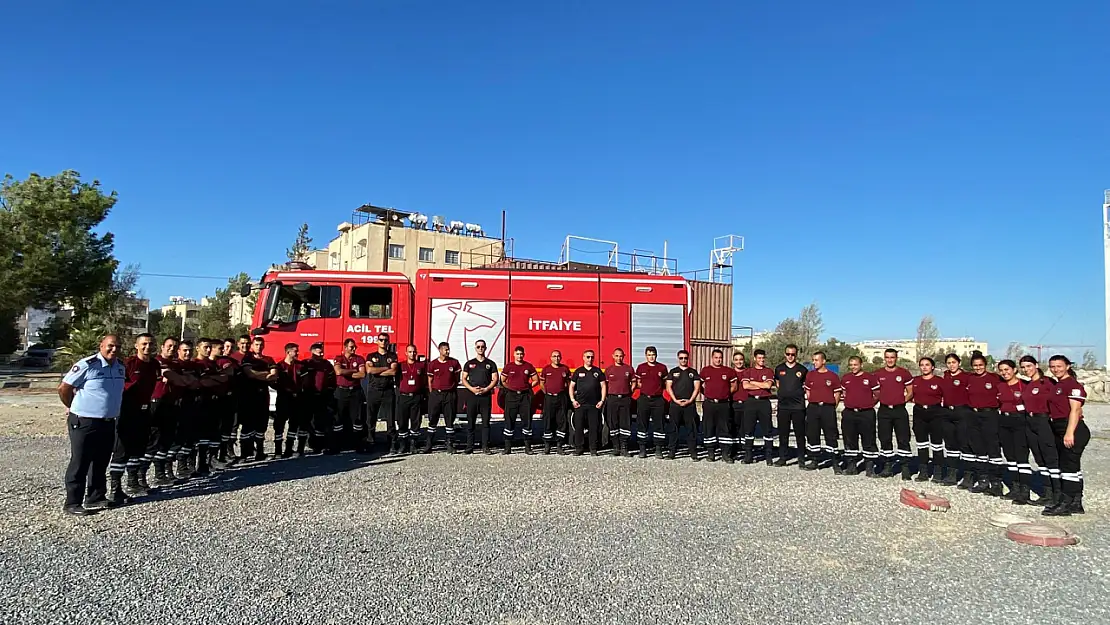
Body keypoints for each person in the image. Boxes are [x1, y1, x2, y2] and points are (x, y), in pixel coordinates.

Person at [58, 334, 126, 516]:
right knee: (80, 461)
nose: (114, 350)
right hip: (84, 421)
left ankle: (95, 496)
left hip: (108, 422)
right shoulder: (87, 365)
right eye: (110, 346)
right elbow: (64, 388)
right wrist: (72, 406)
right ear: (101, 346)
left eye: (117, 346)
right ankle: (72, 502)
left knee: (101, 461)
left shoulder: (120, 367)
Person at [109, 333, 161, 499]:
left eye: (151, 344)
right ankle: (115, 488)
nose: (148, 347)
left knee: (139, 448)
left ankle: (134, 482)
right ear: (136, 345)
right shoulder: (128, 364)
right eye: (144, 344)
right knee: (122, 449)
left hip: (145, 411)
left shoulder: (154, 364)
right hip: (127, 411)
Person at [1044, 355, 1089, 516]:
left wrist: (1070, 432)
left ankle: (1066, 503)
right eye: (1053, 366)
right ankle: (1077, 502)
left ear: (1068, 366)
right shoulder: (1058, 384)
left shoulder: (1073, 385)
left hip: (1072, 428)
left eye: (1059, 366)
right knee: (1072, 467)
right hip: (1059, 427)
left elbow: (1075, 410)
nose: (1056, 369)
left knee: (1067, 467)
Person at [1019, 355, 1058, 505]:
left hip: (1044, 421)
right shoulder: (1028, 385)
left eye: (1029, 366)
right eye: (1023, 367)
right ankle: (1046, 492)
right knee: (1039, 458)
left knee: (1050, 457)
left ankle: (1057, 494)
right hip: (1030, 421)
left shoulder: (1047, 382)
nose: (1026, 369)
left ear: (1036, 365)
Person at [148, 337, 185, 486]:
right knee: (154, 440)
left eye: (174, 347)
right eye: (169, 346)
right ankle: (144, 476)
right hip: (157, 403)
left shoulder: (176, 364)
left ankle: (164, 471)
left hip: (172, 403)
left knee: (167, 440)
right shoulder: (156, 362)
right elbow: (176, 379)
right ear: (162, 347)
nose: (171, 349)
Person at [966, 352, 1003, 496]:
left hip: (990, 415)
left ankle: (996, 482)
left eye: (980, 365)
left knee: (993, 447)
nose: (978, 368)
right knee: (978, 448)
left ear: (985, 365)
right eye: (975, 365)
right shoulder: (970, 379)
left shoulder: (994, 378)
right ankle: (983, 479)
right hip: (974, 415)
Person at [874, 349, 914, 479]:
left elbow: (910, 391)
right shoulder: (878, 374)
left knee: (903, 438)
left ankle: (905, 467)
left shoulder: (904, 373)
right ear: (884, 358)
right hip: (884, 410)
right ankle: (887, 466)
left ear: (896, 358)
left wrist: (902, 401)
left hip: (899, 410)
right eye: (887, 357)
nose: (890, 360)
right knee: (884, 438)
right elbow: (875, 392)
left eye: (892, 357)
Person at [996, 359, 1031, 504]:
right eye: (1002, 370)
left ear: (1014, 370)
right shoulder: (1000, 386)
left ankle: (1025, 490)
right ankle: (1015, 487)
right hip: (1004, 421)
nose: (1004, 373)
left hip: (1020, 422)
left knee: (1021, 456)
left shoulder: (1024, 385)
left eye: (1007, 369)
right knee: (1010, 456)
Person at [838, 356, 877, 476]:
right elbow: (844, 394)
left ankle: (869, 467)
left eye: (855, 364)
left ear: (861, 365)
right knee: (849, 439)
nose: (853, 367)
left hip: (866, 413)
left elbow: (877, 394)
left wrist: (868, 404)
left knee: (868, 439)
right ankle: (851, 466)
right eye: (851, 365)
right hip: (850, 413)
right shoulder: (846, 378)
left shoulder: (869, 378)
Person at [239, 337, 278, 461]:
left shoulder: (269, 359)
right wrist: (266, 375)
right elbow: (249, 373)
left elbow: (274, 375)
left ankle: (260, 452)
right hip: (248, 396)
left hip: (263, 396)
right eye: (256, 344)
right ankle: (245, 453)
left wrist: (258, 375)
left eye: (261, 345)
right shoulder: (248, 359)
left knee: (262, 425)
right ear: (252, 346)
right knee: (247, 426)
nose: (259, 347)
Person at [802, 351, 841, 472]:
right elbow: (808, 392)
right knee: (812, 434)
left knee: (831, 434)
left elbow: (837, 394)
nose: (814, 362)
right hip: (813, 407)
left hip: (827, 408)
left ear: (823, 361)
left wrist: (830, 406)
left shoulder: (832, 376)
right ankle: (815, 460)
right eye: (813, 360)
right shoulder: (810, 375)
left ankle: (835, 461)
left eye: (816, 360)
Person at [911, 357, 946, 482]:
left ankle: (938, 472)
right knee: (921, 444)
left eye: (927, 365)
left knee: (937, 444)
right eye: (922, 365)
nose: (924, 367)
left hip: (935, 412)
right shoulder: (915, 381)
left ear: (932, 367)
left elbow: (947, 396)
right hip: (919, 412)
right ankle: (923, 471)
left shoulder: (939, 381)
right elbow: (909, 394)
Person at [938, 354, 971, 487]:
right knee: (950, 444)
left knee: (965, 443)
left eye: (954, 362)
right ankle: (952, 474)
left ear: (959, 363)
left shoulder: (966, 377)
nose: (952, 365)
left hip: (962, 411)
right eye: (949, 363)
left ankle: (968, 476)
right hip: (947, 412)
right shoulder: (945, 376)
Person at [699, 349, 737, 463]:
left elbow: (734, 386)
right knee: (709, 427)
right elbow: (699, 385)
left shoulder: (728, 371)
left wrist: (725, 394)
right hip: (709, 403)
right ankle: (711, 453)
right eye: (716, 357)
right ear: (712, 358)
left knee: (725, 428)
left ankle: (725, 454)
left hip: (724, 404)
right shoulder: (705, 370)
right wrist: (706, 393)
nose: (718, 359)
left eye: (720, 357)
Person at [461, 340, 499, 454]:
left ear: (486, 348)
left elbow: (495, 379)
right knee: (471, 422)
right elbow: (463, 379)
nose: (480, 348)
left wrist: (487, 389)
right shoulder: (469, 363)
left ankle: (485, 447)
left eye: (482, 346)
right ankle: (469, 447)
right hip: (472, 396)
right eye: (478, 346)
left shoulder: (491, 364)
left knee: (486, 423)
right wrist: (472, 389)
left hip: (485, 396)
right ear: (475, 348)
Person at [365, 333, 399, 453]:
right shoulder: (371, 356)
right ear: (377, 341)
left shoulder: (392, 356)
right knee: (371, 418)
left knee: (390, 419)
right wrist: (386, 368)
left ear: (388, 342)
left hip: (388, 391)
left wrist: (378, 371)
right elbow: (369, 370)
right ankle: (370, 443)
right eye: (381, 340)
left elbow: (394, 371)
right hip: (374, 391)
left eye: (385, 340)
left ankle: (391, 444)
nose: (383, 342)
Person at [773, 344, 807, 467]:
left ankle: (801, 459)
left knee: (800, 434)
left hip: (798, 407)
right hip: (783, 407)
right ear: (785, 354)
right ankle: (783, 458)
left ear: (796, 355)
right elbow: (777, 383)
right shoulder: (778, 369)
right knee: (783, 434)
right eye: (788, 354)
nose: (790, 356)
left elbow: (805, 385)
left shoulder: (802, 370)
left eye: (793, 354)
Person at [501, 346, 539, 455]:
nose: (519, 356)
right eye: (517, 354)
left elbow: (535, 380)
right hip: (511, 397)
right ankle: (507, 448)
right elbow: (503, 380)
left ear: (524, 354)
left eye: (521, 354)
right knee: (509, 421)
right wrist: (510, 388)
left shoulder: (528, 366)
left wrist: (527, 387)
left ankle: (528, 448)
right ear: (514, 354)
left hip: (525, 397)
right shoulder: (509, 366)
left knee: (526, 421)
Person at [425, 342, 461, 453]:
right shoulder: (433, 364)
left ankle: (450, 445)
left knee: (449, 420)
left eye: (448, 349)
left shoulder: (454, 363)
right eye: (445, 349)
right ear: (440, 350)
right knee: (433, 420)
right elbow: (430, 381)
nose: (447, 351)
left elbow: (457, 378)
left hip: (449, 395)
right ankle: (429, 445)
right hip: (436, 394)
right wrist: (433, 393)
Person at [665, 350, 702, 461]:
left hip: (689, 405)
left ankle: (693, 453)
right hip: (675, 405)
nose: (683, 360)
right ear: (678, 358)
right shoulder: (673, 371)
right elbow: (668, 387)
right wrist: (675, 400)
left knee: (691, 429)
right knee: (673, 429)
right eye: (681, 358)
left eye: (685, 358)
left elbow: (697, 388)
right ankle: (671, 452)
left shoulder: (693, 372)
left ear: (688, 358)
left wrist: (690, 400)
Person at [302, 342, 337, 454]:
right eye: (318, 351)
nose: (321, 353)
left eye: (322, 351)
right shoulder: (306, 364)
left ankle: (324, 445)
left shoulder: (327, 364)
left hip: (324, 397)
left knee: (324, 421)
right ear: (312, 351)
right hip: (310, 396)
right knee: (311, 422)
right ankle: (313, 445)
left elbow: (332, 379)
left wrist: (329, 391)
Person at [740, 349, 774, 464]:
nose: (761, 360)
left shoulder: (769, 371)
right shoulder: (748, 371)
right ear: (755, 359)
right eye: (759, 358)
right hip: (751, 402)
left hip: (764, 402)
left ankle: (768, 457)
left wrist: (753, 382)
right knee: (749, 429)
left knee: (767, 430)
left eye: (763, 358)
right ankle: (748, 456)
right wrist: (761, 386)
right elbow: (745, 386)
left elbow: (768, 385)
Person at [634, 346, 669, 459]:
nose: (651, 357)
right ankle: (642, 449)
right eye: (649, 355)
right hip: (644, 398)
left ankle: (658, 449)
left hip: (658, 399)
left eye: (653, 354)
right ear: (646, 356)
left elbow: (665, 384)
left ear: (656, 355)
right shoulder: (641, 367)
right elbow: (638, 382)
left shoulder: (662, 368)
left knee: (659, 424)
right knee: (642, 423)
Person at [569, 350, 606, 455]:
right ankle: (579, 448)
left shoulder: (597, 371)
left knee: (593, 427)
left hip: (594, 405)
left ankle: (593, 449)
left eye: (592, 357)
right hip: (580, 404)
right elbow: (571, 386)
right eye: (588, 357)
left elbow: (603, 386)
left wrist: (602, 400)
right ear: (583, 358)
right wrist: (573, 400)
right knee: (579, 427)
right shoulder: (578, 371)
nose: (590, 359)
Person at [332, 339, 367, 450]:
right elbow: (338, 371)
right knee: (338, 419)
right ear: (345, 347)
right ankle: (337, 445)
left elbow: (362, 374)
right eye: (351, 347)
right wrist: (353, 371)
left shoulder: (359, 358)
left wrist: (346, 372)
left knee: (356, 419)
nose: (353, 348)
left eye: (354, 346)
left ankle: (358, 445)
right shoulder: (339, 358)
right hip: (341, 391)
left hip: (355, 392)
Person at [604, 348, 636, 456]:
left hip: (625, 398)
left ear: (624, 356)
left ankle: (624, 447)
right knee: (613, 422)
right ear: (613, 356)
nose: (619, 358)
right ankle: (616, 447)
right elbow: (605, 385)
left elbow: (634, 382)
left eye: (621, 356)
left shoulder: (629, 369)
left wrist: (629, 392)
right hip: (612, 399)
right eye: (617, 356)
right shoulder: (608, 370)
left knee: (625, 423)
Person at [273, 343, 303, 458]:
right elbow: (272, 381)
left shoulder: (299, 366)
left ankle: (289, 449)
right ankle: (278, 451)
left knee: (293, 424)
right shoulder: (279, 366)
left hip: (296, 399)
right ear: (288, 352)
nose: (297, 353)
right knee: (279, 424)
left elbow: (304, 381)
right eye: (295, 351)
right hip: (283, 399)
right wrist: (282, 390)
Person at [539, 350, 571, 455]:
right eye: (554, 356)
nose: (556, 358)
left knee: (561, 421)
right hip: (549, 398)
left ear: (560, 358)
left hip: (561, 398)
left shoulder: (565, 369)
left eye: (558, 356)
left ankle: (559, 445)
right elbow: (542, 383)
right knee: (548, 421)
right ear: (551, 358)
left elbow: (568, 383)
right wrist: (547, 393)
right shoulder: (546, 369)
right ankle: (547, 446)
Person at [397, 345, 427, 455]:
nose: (412, 354)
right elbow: (397, 380)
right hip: (404, 397)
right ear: (406, 353)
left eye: (414, 352)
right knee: (402, 421)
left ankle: (413, 445)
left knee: (416, 421)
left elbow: (424, 380)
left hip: (416, 397)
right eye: (410, 352)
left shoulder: (421, 366)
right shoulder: (401, 366)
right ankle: (402, 445)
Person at [214, 339, 240, 464]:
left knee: (229, 428)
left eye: (232, 347)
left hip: (232, 397)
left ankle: (225, 453)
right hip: (219, 398)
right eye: (226, 346)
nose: (229, 350)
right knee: (216, 428)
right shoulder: (216, 361)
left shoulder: (235, 363)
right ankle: (212, 457)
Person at [729, 352, 748, 463]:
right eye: (736, 360)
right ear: (733, 361)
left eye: (741, 359)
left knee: (745, 428)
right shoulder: (730, 373)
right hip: (734, 403)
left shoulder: (748, 372)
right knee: (734, 428)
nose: (738, 362)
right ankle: (734, 450)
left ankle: (746, 450)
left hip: (746, 403)